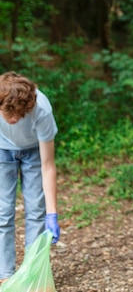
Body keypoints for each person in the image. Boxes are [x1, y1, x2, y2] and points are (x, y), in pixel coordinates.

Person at [0, 72, 61, 284]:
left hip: (33, 151)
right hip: (1, 149)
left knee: (36, 211)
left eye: (19, 113)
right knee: (3, 213)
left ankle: (31, 274)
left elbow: (48, 165)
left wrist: (52, 213)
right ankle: (5, 276)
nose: (15, 119)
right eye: (9, 114)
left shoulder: (41, 110)